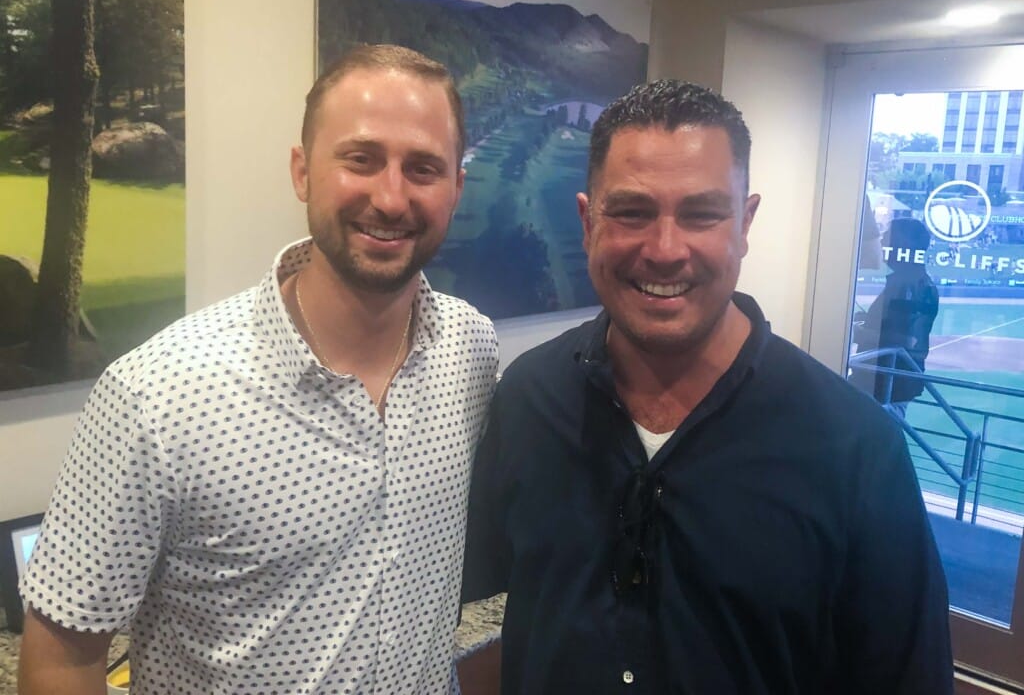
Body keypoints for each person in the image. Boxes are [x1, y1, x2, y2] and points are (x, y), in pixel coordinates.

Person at [19, 44, 499, 695]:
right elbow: (62, 659)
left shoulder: (470, 351)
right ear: (302, 172)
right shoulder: (156, 396)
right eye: (360, 159)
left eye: (423, 168)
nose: (390, 198)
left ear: (456, 188)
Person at [462, 80, 952, 694]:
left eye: (701, 214)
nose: (665, 251)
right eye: (633, 212)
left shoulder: (856, 449)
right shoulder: (527, 400)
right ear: (588, 222)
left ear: (744, 224)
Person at [851, 217, 939, 419]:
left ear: (905, 244)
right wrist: (867, 320)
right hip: (884, 381)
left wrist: (858, 332)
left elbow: (904, 340)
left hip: (888, 383)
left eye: (890, 236)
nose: (882, 241)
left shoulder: (910, 285)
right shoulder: (912, 283)